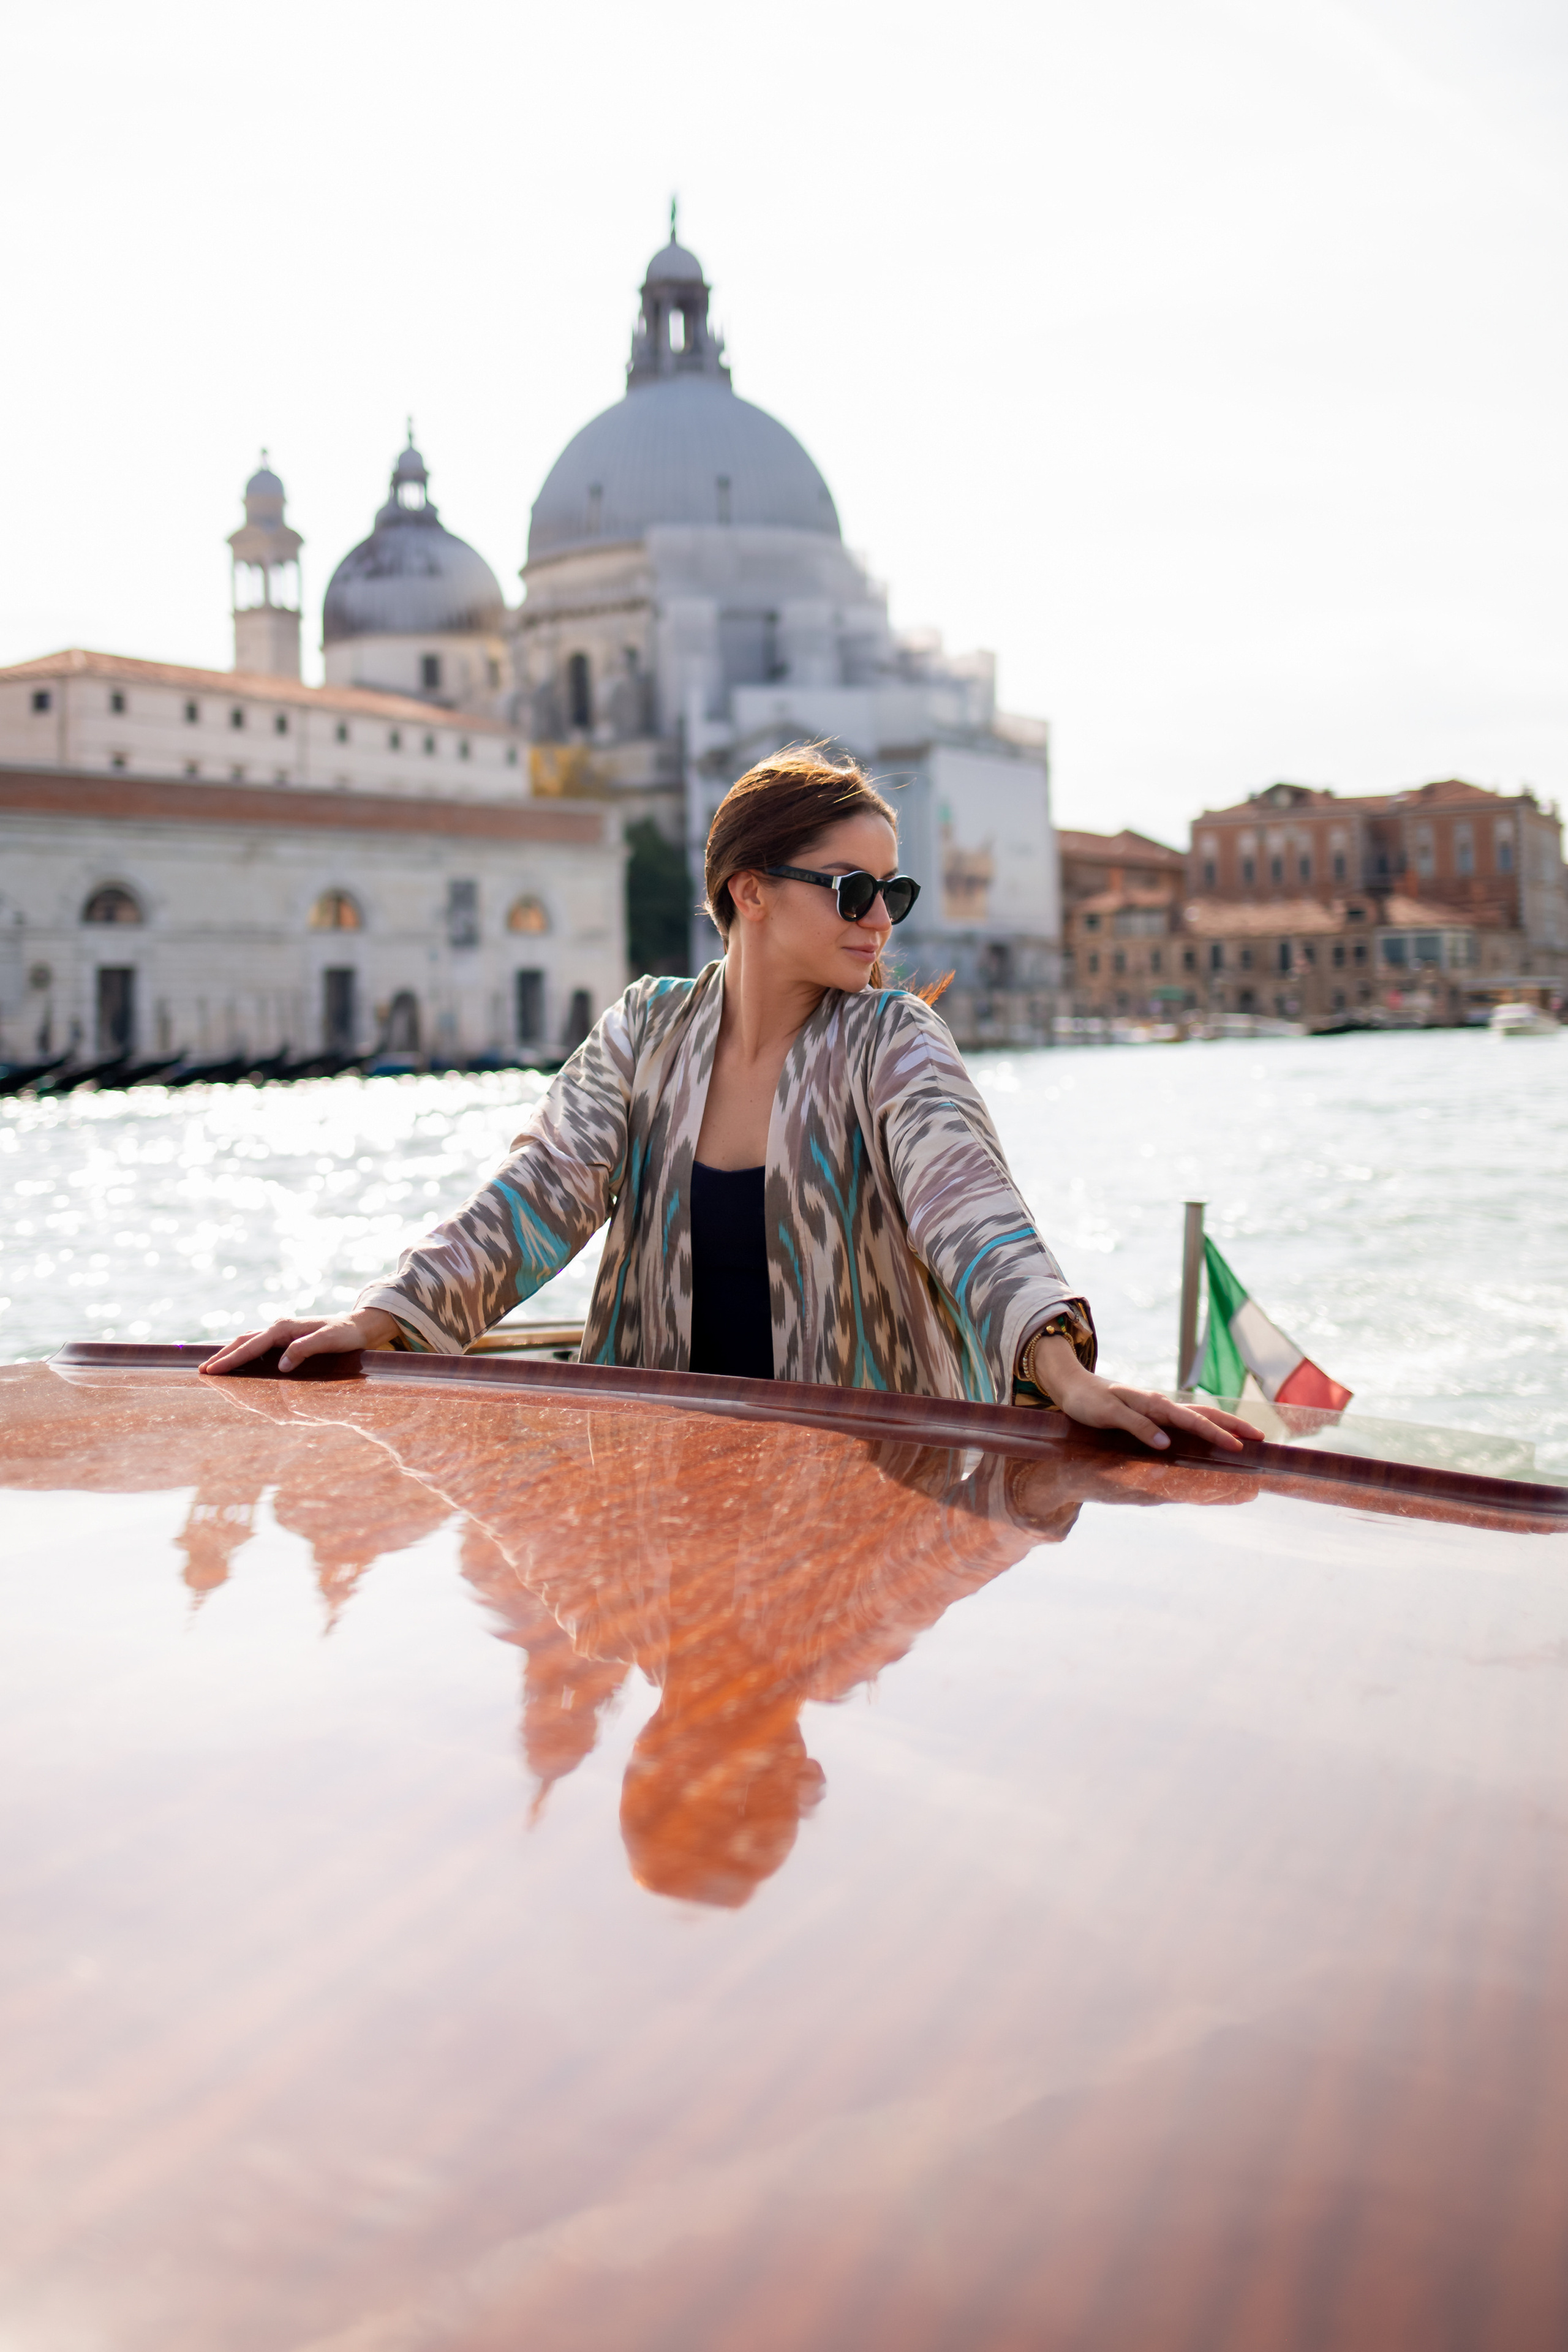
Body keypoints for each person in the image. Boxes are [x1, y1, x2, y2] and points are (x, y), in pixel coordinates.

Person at [204, 749, 1253, 1456]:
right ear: (750, 891)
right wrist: (380, 1321)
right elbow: (531, 1203)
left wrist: (1061, 1371)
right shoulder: (644, 1029)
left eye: (894, 892)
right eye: (851, 889)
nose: (879, 918)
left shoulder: (893, 1040)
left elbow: (969, 1214)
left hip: (870, 1483)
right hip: (661, 1473)